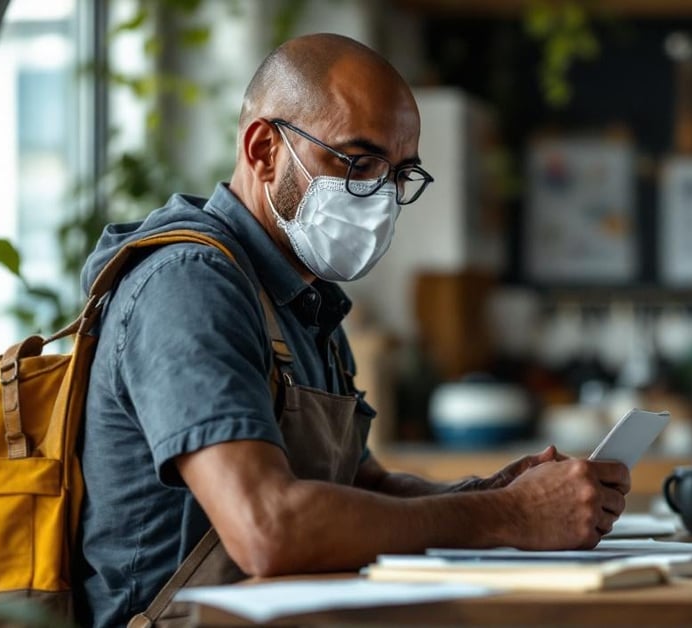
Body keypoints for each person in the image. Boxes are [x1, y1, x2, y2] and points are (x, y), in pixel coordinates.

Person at [74, 33, 630, 628]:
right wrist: (510, 516)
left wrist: (490, 492)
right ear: (264, 149)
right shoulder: (189, 285)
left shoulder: (301, 299)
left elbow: (365, 487)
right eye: (358, 163)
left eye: (399, 174)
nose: (381, 199)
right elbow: (267, 528)